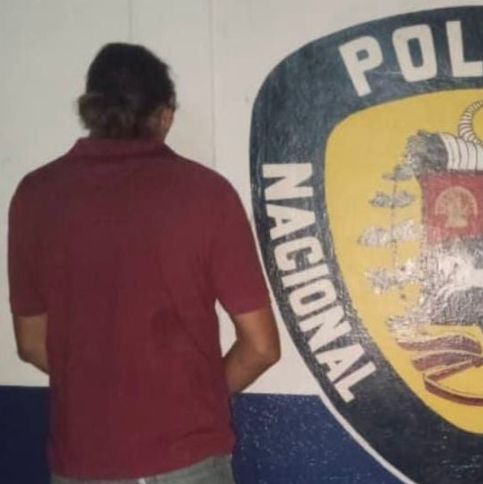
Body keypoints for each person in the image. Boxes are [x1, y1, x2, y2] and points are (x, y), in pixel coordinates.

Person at [7, 43, 280, 483]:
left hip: (80, 463)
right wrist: (193, 400)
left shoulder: (36, 195)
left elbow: (32, 344)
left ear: (91, 109)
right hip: (186, 460)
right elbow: (262, 347)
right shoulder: (206, 194)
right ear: (165, 114)